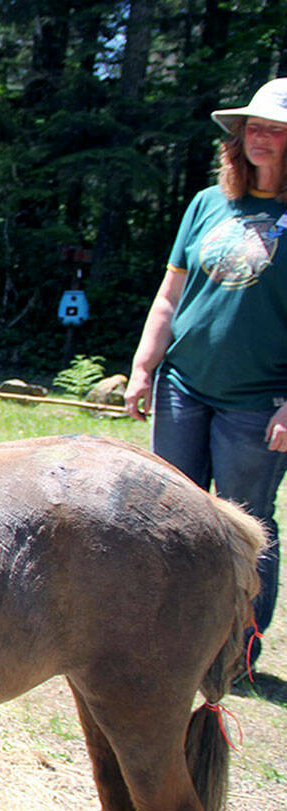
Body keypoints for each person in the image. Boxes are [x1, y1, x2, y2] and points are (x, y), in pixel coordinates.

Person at [124, 77, 287, 675]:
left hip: (258, 399)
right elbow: (170, 295)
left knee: (248, 523)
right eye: (252, 127)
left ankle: (238, 651)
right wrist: (144, 367)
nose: (258, 137)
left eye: (273, 128)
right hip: (184, 387)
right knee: (169, 516)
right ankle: (166, 637)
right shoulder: (206, 204)